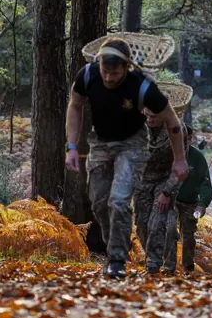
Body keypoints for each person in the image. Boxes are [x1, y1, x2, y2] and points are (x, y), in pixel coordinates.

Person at [64, 38, 189, 278]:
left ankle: (117, 260)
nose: (109, 78)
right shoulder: (87, 75)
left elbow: (173, 123)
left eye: (115, 72)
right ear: (98, 64)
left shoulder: (142, 87)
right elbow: (75, 105)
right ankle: (115, 248)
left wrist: (180, 160)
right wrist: (71, 147)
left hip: (132, 144)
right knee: (100, 203)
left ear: (127, 67)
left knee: (119, 201)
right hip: (100, 143)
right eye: (105, 71)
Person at [133, 109, 185, 274]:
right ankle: (153, 256)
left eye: (153, 115)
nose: (149, 119)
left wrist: (167, 192)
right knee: (141, 225)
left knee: (156, 223)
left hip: (165, 180)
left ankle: (152, 266)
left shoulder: (176, 129)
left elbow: (180, 166)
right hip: (142, 181)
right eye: (146, 115)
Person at [164, 125, 212, 273]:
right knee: (170, 230)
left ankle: (188, 267)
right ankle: (169, 267)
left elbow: (205, 183)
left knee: (188, 235)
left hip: (190, 202)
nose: (182, 143)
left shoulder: (197, 158)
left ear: (190, 139)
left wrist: (202, 204)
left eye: (185, 140)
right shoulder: (166, 154)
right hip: (170, 200)